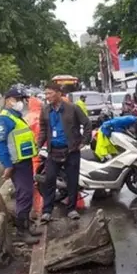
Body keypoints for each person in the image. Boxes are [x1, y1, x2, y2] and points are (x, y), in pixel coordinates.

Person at [0, 87, 42, 245]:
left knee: (27, 194)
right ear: (9, 100)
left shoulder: (16, 116)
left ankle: (27, 227)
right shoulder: (4, 119)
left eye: (22, 100)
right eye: (18, 99)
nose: (21, 102)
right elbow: (0, 144)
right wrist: (7, 165)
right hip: (16, 164)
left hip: (25, 161)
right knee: (24, 195)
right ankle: (22, 232)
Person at [38, 82, 92, 221]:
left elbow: (87, 124)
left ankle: (71, 209)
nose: (47, 96)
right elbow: (43, 130)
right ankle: (47, 211)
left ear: (58, 93)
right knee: (49, 180)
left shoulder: (72, 108)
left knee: (72, 181)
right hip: (53, 151)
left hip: (71, 151)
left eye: (49, 93)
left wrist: (83, 142)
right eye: (46, 94)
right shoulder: (45, 110)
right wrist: (38, 145)